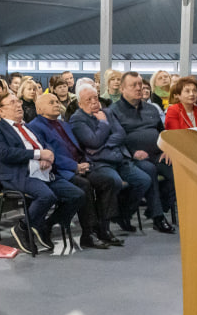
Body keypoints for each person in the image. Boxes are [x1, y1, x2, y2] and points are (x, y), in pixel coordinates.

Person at [0, 90, 85, 255]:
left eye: (18, 102)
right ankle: (23, 227)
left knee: (77, 195)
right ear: (1, 111)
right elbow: (3, 153)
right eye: (13, 103)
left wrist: (48, 156)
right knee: (47, 196)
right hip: (18, 174)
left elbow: (46, 145)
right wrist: (38, 154)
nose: (19, 105)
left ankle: (45, 224)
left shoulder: (28, 126)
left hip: (43, 172)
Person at [28, 93, 123, 249]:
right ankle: (88, 233)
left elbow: (77, 148)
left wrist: (84, 162)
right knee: (84, 185)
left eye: (57, 101)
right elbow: (50, 155)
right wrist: (74, 166)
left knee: (108, 181)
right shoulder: (35, 127)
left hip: (80, 165)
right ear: (39, 109)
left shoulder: (64, 124)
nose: (56, 104)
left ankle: (103, 228)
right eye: (51, 102)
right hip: (59, 170)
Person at [69, 84, 153, 234]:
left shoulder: (107, 112)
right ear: (80, 103)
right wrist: (103, 124)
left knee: (143, 180)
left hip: (118, 158)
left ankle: (123, 214)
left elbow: (120, 134)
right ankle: (104, 226)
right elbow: (92, 141)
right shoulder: (77, 120)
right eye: (89, 100)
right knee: (113, 182)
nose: (94, 102)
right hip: (100, 163)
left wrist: (103, 145)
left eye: (96, 97)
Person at [109, 73, 176, 233]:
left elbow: (162, 133)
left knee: (178, 174)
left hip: (157, 154)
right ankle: (158, 217)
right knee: (149, 170)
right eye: (134, 85)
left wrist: (167, 148)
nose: (139, 88)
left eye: (140, 84)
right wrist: (131, 153)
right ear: (123, 88)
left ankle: (154, 208)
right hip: (132, 159)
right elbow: (113, 139)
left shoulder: (151, 109)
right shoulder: (113, 111)